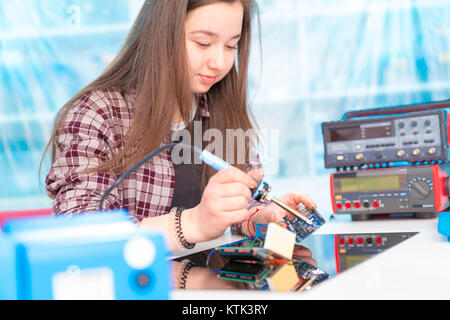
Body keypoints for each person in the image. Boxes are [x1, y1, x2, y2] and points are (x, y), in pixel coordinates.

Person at [44, 0, 316, 252]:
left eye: (231, 46)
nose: (219, 62)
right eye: (202, 43)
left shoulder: (221, 105)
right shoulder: (97, 112)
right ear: (160, 37)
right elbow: (80, 228)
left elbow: (239, 206)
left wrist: (264, 216)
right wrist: (194, 224)